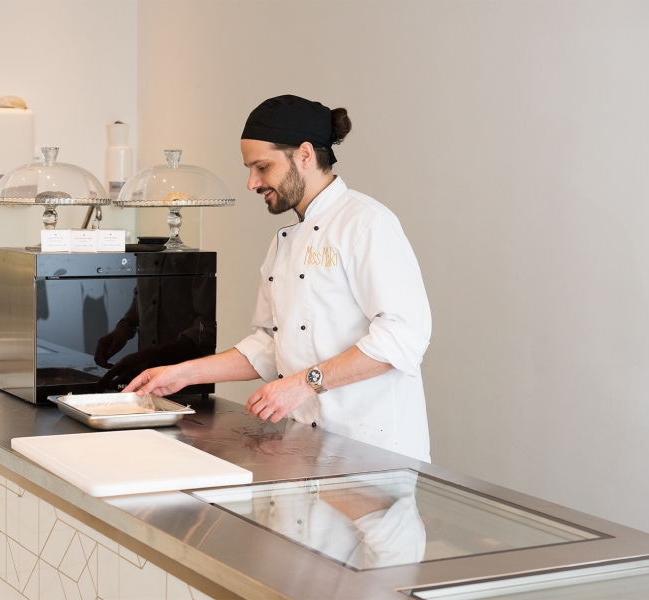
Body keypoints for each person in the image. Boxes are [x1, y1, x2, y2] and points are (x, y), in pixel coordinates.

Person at [126, 94, 432, 462]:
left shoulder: (367, 224)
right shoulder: (285, 240)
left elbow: (403, 337)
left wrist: (303, 384)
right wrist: (183, 374)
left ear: (304, 155)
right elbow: (272, 345)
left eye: (261, 167)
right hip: (307, 447)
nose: (251, 183)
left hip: (374, 449)